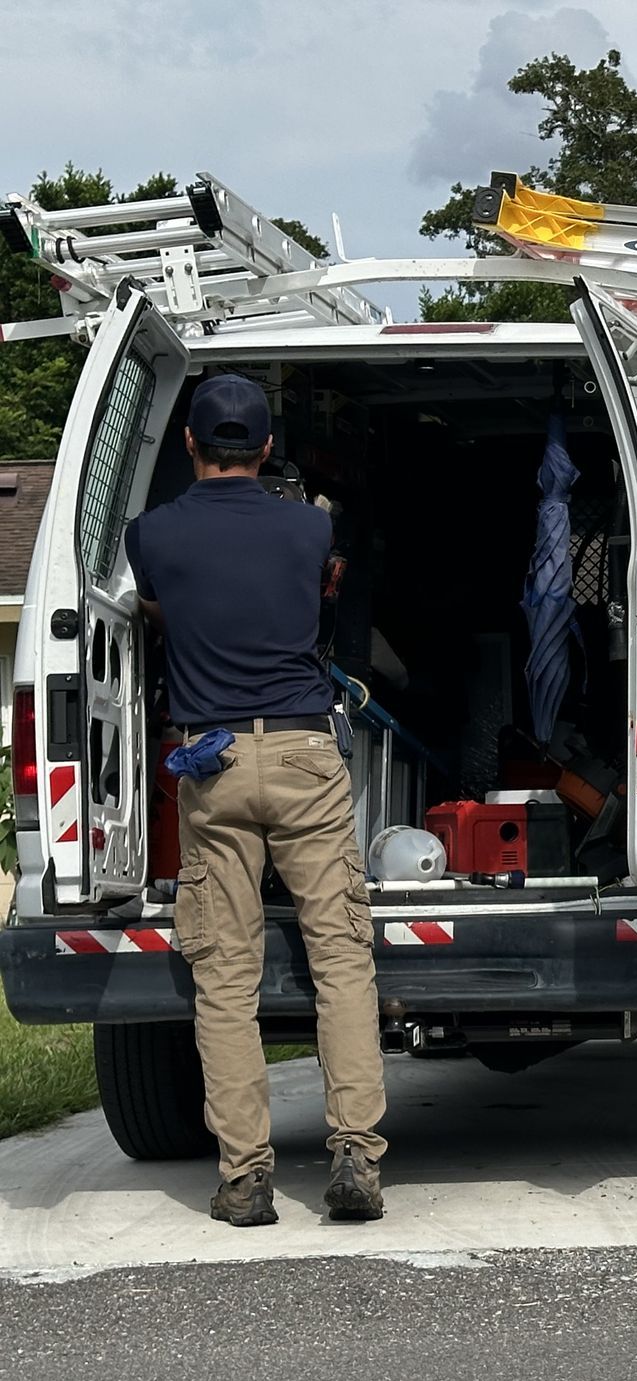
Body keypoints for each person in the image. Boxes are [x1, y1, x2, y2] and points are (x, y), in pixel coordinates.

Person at [124, 374, 386, 1227]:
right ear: (267, 448)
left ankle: (246, 1179)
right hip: (308, 752)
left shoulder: (151, 535)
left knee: (226, 980)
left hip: (216, 760)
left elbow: (169, 606)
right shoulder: (312, 526)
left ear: (192, 446)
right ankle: (356, 1160)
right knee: (341, 960)